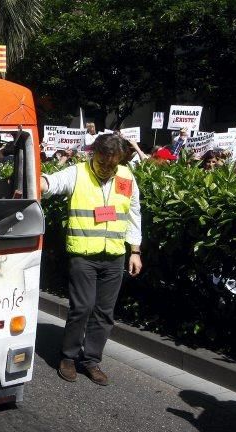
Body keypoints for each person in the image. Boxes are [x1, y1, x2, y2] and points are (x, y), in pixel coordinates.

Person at [41, 133, 143, 386]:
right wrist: (39, 182)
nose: (107, 168)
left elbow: (133, 213)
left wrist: (135, 251)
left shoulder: (126, 177)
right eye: (102, 162)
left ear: (120, 160)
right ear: (93, 154)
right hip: (83, 254)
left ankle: (91, 361)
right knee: (83, 307)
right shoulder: (77, 173)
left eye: (112, 164)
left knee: (104, 313)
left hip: (114, 255)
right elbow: (52, 183)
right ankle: (68, 357)